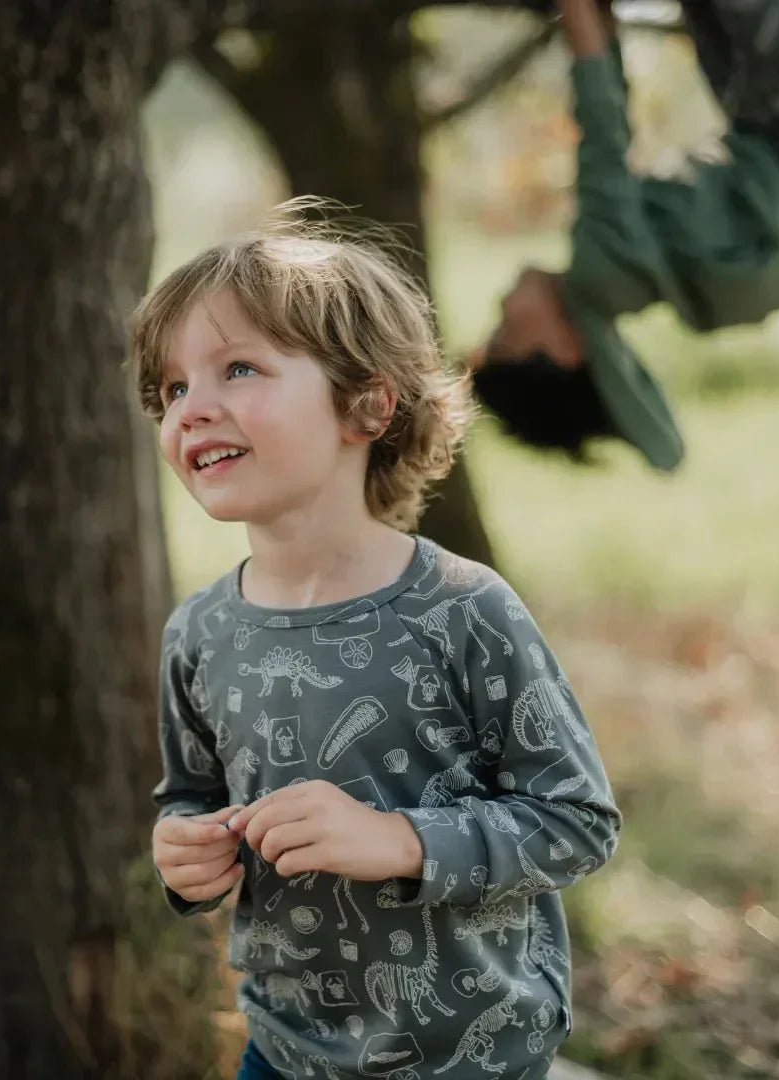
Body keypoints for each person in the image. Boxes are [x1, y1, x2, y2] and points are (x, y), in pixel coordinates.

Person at [130, 201, 621, 1080]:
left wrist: (399, 840)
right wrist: (184, 856)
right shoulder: (199, 633)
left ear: (366, 404)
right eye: (172, 389)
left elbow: (576, 822)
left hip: (475, 1059)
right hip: (284, 1052)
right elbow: (190, 796)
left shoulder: (463, 611)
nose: (193, 409)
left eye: (238, 368)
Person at [469, 0, 779, 470]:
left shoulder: (619, 281)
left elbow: (608, 105)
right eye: (504, 335)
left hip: (778, 122)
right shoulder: (603, 272)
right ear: (566, 350)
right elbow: (603, 126)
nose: (501, 310)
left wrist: (596, 24)